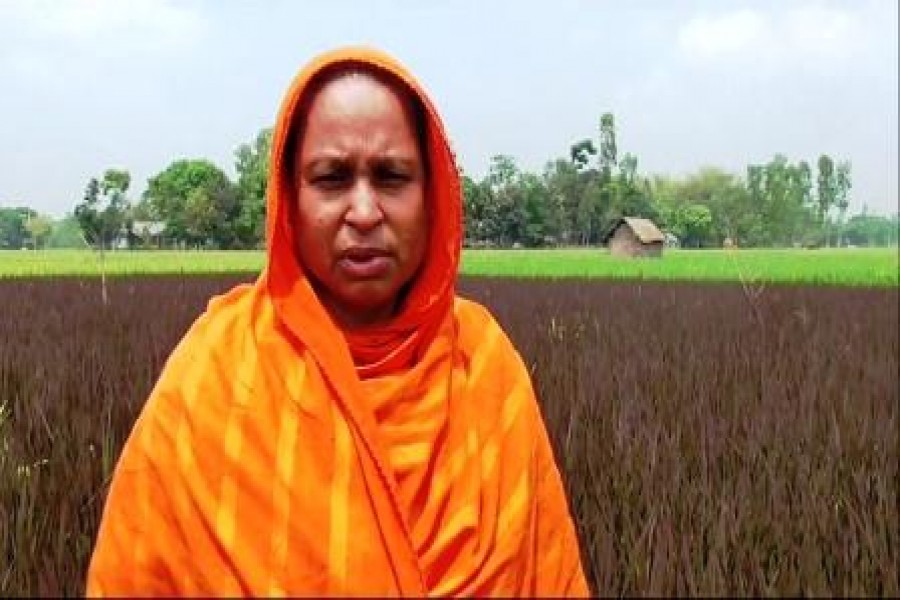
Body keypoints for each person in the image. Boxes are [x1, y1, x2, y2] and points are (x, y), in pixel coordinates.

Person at [86, 46, 589, 597]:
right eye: (331, 178)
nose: (365, 211)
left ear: (434, 194)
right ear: (289, 200)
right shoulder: (214, 374)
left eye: (392, 176)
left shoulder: (484, 368)